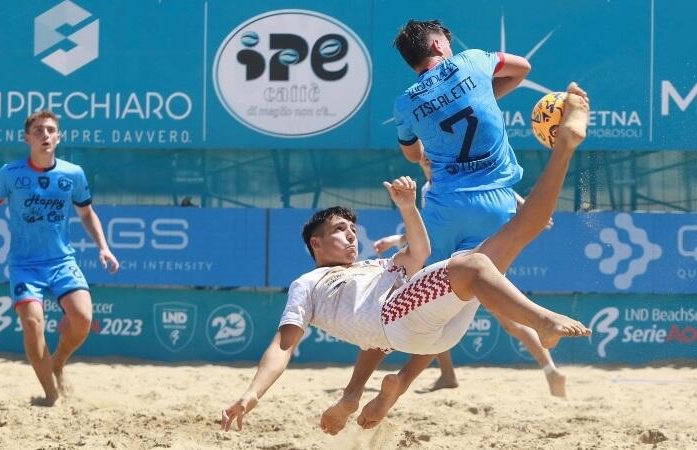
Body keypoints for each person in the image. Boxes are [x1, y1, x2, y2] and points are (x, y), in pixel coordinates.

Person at [220, 85, 591, 433]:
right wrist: (253, 392)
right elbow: (283, 345)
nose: (350, 233)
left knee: (522, 230)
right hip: (399, 325)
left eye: (352, 228)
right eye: (339, 229)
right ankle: (543, 321)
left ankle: (565, 146)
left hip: (428, 333)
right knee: (472, 265)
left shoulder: (374, 268)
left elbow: (420, 254)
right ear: (315, 243)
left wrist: (408, 208)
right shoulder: (308, 283)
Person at [389, 18, 565, 395]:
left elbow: (411, 153)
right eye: (447, 43)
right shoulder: (472, 62)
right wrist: (480, 93)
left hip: (443, 208)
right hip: (495, 205)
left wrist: (425, 152)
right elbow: (523, 68)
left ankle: (393, 383)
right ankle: (545, 354)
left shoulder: (405, 103)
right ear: (438, 45)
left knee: (429, 303)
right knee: (486, 297)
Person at [0, 110, 119, 406]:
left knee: (83, 319)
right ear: (27, 138)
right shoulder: (10, 173)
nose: (45, 135)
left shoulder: (73, 174)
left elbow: (86, 213)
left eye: (50, 130)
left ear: (59, 137)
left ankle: (58, 360)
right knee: (34, 324)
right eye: (38, 130)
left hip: (61, 262)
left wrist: (104, 247)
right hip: (25, 265)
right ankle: (51, 395)